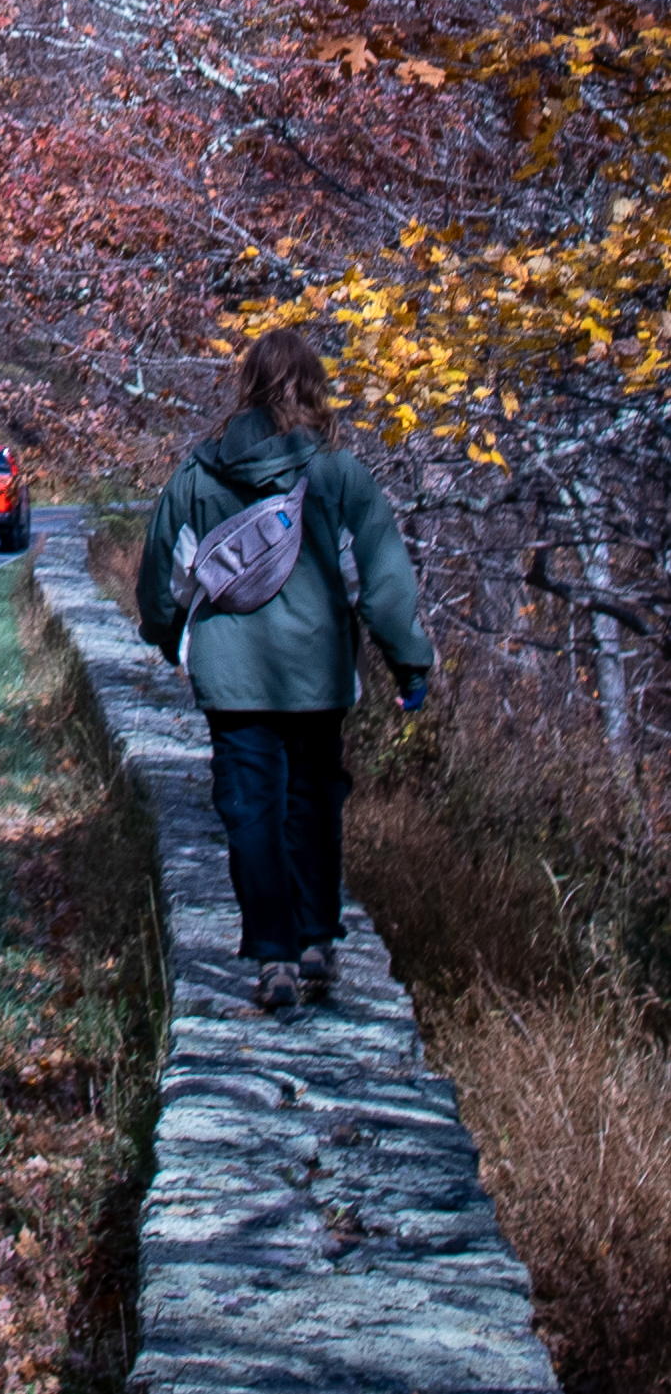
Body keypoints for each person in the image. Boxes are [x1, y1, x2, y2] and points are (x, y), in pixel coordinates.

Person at [136, 325, 434, 1012]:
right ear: (314, 387)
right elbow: (380, 585)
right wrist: (408, 665)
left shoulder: (198, 474)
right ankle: (314, 941)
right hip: (317, 674)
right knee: (312, 803)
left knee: (250, 811)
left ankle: (270, 953)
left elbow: (165, 578)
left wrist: (168, 635)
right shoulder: (339, 475)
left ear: (247, 385)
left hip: (231, 677)